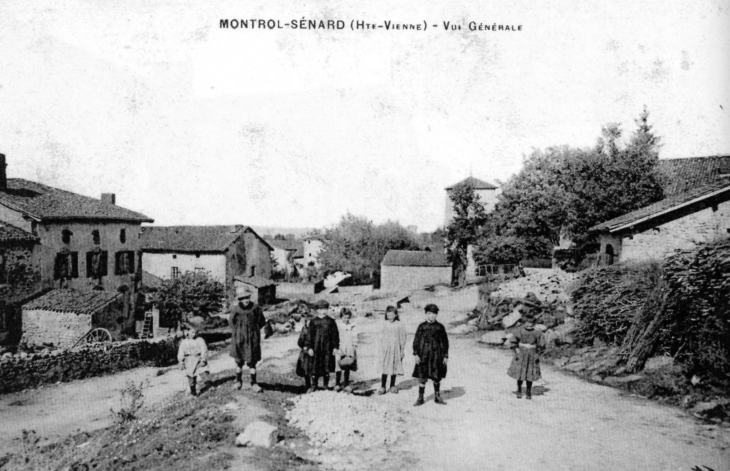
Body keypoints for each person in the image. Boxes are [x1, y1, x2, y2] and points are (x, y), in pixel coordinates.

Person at [230, 291, 269, 393]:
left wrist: (253, 331)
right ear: (240, 300)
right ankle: (238, 381)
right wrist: (239, 332)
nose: (246, 300)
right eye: (243, 298)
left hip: (252, 339)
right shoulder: (236, 309)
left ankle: (254, 383)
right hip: (239, 339)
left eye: (247, 298)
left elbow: (261, 321)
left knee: (252, 362)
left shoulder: (255, 308)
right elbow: (231, 323)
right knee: (239, 361)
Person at [412, 303, 449, 406]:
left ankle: (437, 396)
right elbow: (416, 341)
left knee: (436, 376)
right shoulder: (421, 327)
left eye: (434, 314)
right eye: (429, 313)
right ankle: (420, 397)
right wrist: (416, 354)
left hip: (437, 355)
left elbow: (445, 342)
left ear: (436, 315)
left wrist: (445, 356)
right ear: (426, 314)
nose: (431, 316)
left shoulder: (440, 327)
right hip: (423, 355)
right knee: (422, 376)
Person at [507, 314, 545, 399]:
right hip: (521, 354)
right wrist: (516, 349)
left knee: (530, 373)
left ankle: (528, 391)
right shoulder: (519, 331)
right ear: (524, 323)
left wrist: (538, 353)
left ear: (534, 323)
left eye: (531, 323)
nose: (529, 325)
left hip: (532, 354)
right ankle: (519, 389)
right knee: (520, 373)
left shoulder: (537, 333)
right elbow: (513, 341)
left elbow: (541, 345)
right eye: (527, 322)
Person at [305, 299, 340, 391]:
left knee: (327, 365)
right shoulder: (313, 322)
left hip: (327, 348)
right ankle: (314, 385)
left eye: (325, 309)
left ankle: (325, 385)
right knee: (315, 365)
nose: (323, 311)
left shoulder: (331, 321)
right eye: (320, 309)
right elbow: (309, 336)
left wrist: (335, 347)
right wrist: (309, 348)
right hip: (316, 348)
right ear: (317, 310)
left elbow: (335, 335)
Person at [378, 305, 408, 395]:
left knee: (394, 367)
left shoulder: (400, 324)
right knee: (385, 367)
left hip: (396, 349)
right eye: (388, 315)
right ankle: (383, 386)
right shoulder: (384, 324)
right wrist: (381, 349)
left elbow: (403, 337)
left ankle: (392, 385)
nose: (390, 317)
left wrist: (402, 349)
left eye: (392, 315)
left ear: (396, 315)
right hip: (386, 349)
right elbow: (381, 337)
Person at [177, 325, 211, 397]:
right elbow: (181, 352)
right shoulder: (184, 342)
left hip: (198, 358)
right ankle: (193, 392)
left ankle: (209, 385)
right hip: (189, 360)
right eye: (192, 332)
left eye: (195, 332)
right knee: (191, 376)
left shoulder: (200, 340)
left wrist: (203, 360)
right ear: (188, 332)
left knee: (204, 372)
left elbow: (204, 350)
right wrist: (181, 362)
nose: (194, 334)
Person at [335, 308, 357, 393]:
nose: (346, 319)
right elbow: (335, 336)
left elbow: (354, 336)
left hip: (349, 347)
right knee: (338, 365)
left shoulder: (352, 326)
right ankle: (337, 384)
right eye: (344, 317)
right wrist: (336, 347)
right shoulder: (338, 325)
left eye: (348, 317)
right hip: (340, 347)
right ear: (341, 317)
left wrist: (354, 346)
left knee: (347, 364)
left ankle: (346, 384)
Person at [296, 309, 314, 391]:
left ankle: (314, 386)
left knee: (313, 369)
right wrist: (304, 347)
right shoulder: (304, 329)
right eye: (306, 321)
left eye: (309, 321)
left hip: (313, 351)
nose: (308, 322)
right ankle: (308, 385)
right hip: (305, 352)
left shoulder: (314, 330)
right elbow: (300, 341)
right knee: (305, 369)